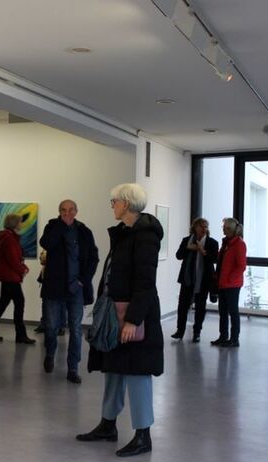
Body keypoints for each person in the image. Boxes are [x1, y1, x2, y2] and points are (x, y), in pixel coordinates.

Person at [77, 183, 163, 457]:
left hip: (134, 315)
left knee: (137, 373)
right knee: (113, 369)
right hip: (115, 314)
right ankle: (107, 425)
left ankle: (143, 435)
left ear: (126, 203)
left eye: (113, 201)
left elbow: (146, 282)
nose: (112, 205)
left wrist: (133, 321)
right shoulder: (124, 234)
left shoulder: (145, 235)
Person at [40, 199, 99, 384]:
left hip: (76, 288)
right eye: (63, 210)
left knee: (75, 329)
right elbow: (46, 243)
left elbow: (93, 258)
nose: (67, 213)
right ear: (59, 212)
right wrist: (60, 226)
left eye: (70, 210)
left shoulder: (84, 231)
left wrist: (84, 280)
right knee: (51, 326)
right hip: (54, 288)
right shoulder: (52, 227)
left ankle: (73, 368)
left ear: (76, 211)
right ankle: (50, 354)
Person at [0, 213, 35, 344]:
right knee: (19, 303)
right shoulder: (9, 239)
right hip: (10, 277)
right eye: (19, 222)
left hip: (7, 276)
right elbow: (12, 259)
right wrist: (23, 269)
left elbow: (13, 258)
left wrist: (22, 267)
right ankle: (21, 335)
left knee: (3, 303)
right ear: (15, 224)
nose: (21, 224)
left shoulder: (7, 237)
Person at [170, 217, 219, 342]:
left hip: (203, 281)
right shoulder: (187, 241)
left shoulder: (212, 243)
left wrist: (203, 251)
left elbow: (215, 259)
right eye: (201, 226)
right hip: (187, 280)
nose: (204, 229)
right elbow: (178, 256)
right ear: (195, 228)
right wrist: (188, 248)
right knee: (182, 306)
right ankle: (179, 331)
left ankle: (197, 332)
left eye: (206, 227)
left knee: (200, 307)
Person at [211, 217, 246, 348]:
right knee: (223, 312)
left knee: (233, 312)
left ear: (232, 229)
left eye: (226, 228)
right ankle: (223, 336)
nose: (223, 229)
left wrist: (230, 278)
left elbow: (241, 266)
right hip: (223, 283)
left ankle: (234, 339)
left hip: (232, 285)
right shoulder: (226, 244)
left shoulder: (239, 244)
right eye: (223, 227)